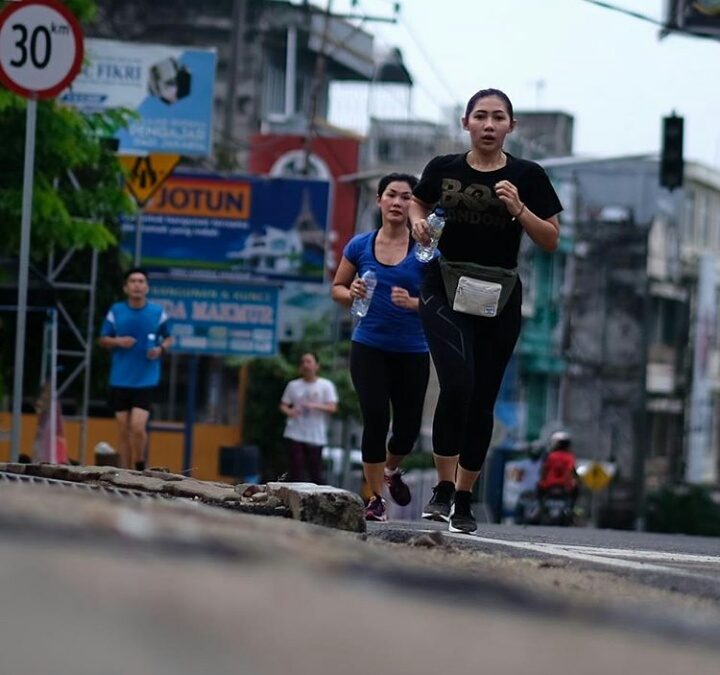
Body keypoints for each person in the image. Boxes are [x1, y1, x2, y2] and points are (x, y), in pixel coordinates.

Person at [410, 88, 563, 534]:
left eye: (498, 117)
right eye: (481, 116)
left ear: (511, 126)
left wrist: (519, 209)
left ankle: (464, 496)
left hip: (500, 292)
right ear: (466, 123)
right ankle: (442, 486)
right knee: (456, 383)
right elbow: (420, 200)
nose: (489, 125)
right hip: (444, 284)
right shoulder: (443, 168)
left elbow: (551, 239)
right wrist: (418, 221)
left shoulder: (528, 175)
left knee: (481, 398)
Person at [331, 173, 431, 522]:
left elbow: (441, 301)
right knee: (375, 420)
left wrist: (414, 303)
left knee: (407, 429)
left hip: (413, 349)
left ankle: (391, 470)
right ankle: (375, 498)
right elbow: (337, 288)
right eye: (391, 195)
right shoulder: (360, 245)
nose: (397, 202)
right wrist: (352, 292)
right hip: (369, 346)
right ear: (379, 200)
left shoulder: (426, 250)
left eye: (406, 197)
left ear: (414, 205)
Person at [99, 267, 172, 470]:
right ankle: (124, 472)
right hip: (120, 378)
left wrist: (160, 349)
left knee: (138, 427)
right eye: (133, 281)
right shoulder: (116, 311)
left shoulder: (157, 313)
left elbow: (169, 337)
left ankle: (139, 465)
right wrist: (118, 341)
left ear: (147, 287)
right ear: (125, 287)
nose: (137, 285)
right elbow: (103, 339)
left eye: (141, 281)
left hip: (146, 378)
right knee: (123, 430)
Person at [279, 352, 338, 484]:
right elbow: (283, 405)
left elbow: (332, 407)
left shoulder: (325, 385)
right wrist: (291, 412)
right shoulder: (293, 385)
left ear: (317, 366)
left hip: (315, 434)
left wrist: (315, 406)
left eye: (309, 361)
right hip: (295, 431)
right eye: (303, 362)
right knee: (296, 468)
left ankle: (318, 495)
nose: (305, 365)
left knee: (315, 471)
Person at [537, 430, 579, 508]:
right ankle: (571, 507)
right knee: (575, 489)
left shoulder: (550, 456)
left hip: (549, 484)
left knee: (539, 487)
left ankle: (540, 506)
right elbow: (571, 470)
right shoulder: (570, 457)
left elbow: (544, 469)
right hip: (565, 485)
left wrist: (543, 479)